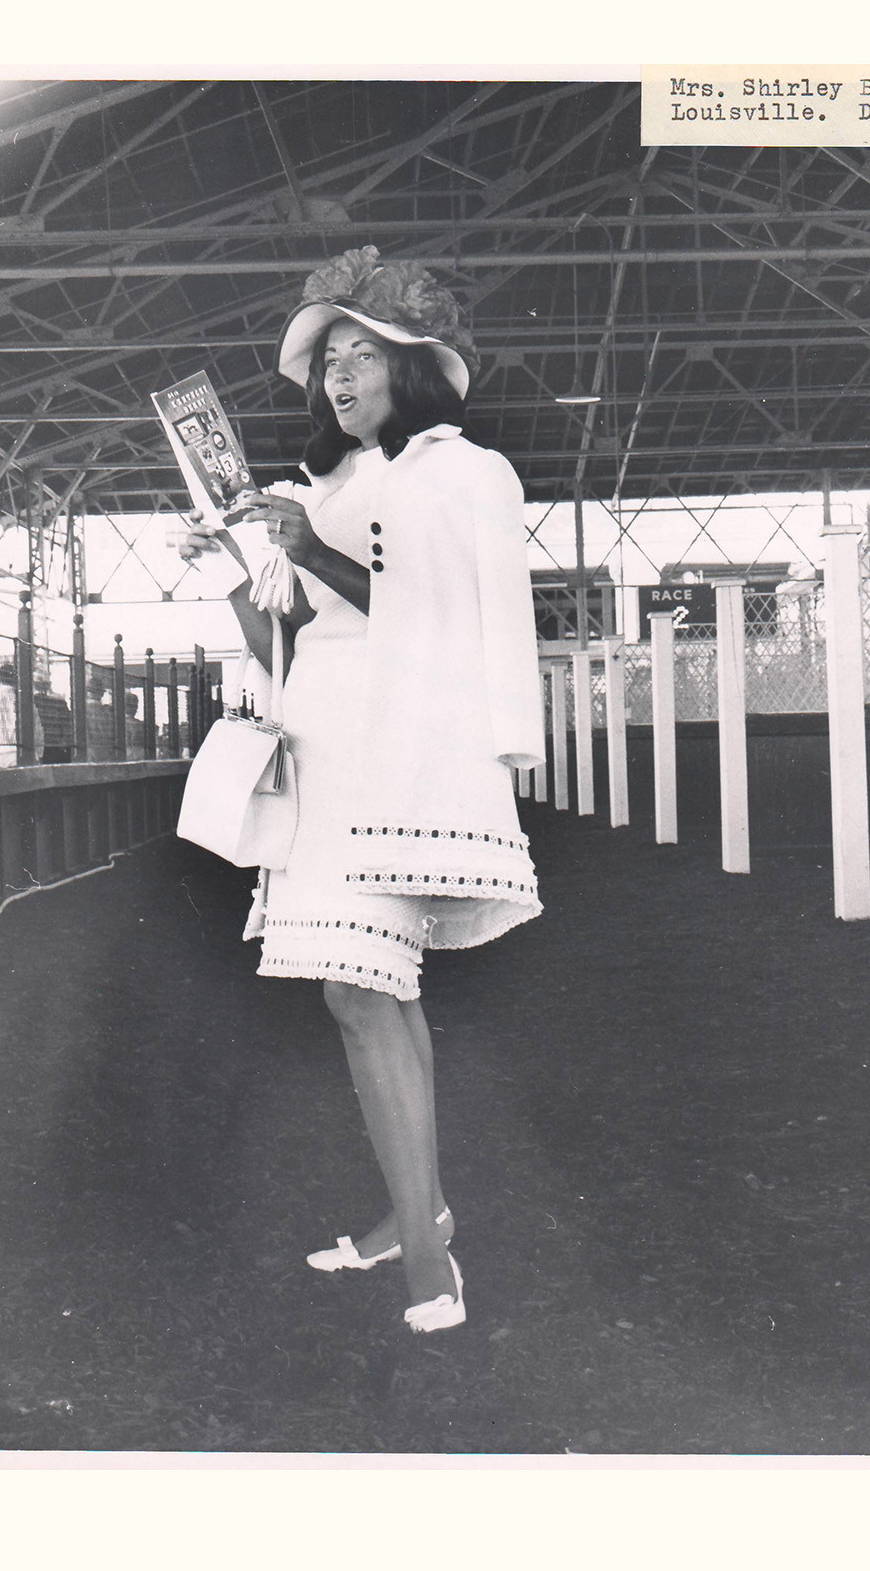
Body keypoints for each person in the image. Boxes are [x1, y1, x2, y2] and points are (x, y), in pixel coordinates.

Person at [181, 248, 545, 1335]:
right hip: (325, 751)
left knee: (361, 988)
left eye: (360, 356)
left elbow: (441, 629)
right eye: (326, 362)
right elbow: (276, 641)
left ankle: (430, 1258)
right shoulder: (318, 488)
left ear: (412, 368)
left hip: (406, 756)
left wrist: (313, 551)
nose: (339, 379)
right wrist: (234, 559)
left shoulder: (459, 472)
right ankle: (417, 1213)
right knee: (365, 987)